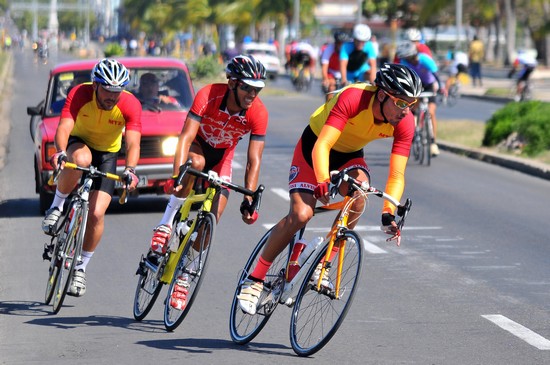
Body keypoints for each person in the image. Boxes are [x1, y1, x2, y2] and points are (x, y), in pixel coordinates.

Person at [236, 64, 422, 315]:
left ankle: (322, 266)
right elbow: (322, 145)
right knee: (301, 215)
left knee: (360, 196)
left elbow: (397, 173)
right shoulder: (355, 98)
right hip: (314, 147)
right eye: (401, 103)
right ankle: (255, 279)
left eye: (412, 104)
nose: (406, 111)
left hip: (349, 155)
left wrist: (389, 211)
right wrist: (322, 179)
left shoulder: (405, 122)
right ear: (382, 95)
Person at [148, 55, 269, 310]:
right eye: (247, 87)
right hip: (198, 147)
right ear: (232, 82)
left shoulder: (258, 113)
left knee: (215, 216)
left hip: (223, 157)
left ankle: (185, 275)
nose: (252, 94)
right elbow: (185, 136)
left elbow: (253, 160)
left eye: (257, 89)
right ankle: (166, 223)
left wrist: (249, 199)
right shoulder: (209, 94)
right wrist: (175, 175)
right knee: (196, 165)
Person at [41, 58, 142, 297]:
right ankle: (56, 207)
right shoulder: (80, 93)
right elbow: (64, 127)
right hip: (80, 143)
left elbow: (134, 142)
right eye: (107, 89)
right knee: (82, 160)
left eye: (117, 91)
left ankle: (80, 268)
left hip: (108, 153)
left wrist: (130, 170)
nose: (112, 96)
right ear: (95, 85)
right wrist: (61, 152)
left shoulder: (130, 104)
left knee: (96, 213)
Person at [396, 41, 444, 156]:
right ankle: (414, 130)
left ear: (413, 55)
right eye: (405, 58)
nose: (406, 60)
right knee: (413, 109)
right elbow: (402, 79)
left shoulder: (425, 59)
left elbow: (436, 75)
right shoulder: (404, 62)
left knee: (431, 112)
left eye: (408, 57)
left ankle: (433, 142)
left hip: (429, 84)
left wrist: (441, 88)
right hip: (415, 86)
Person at [320, 31, 348, 101]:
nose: (341, 46)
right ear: (335, 43)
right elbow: (324, 67)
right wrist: (325, 79)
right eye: (339, 43)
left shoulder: (348, 50)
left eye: (343, 44)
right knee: (331, 86)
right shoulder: (329, 49)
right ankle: (328, 105)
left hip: (345, 73)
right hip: (332, 72)